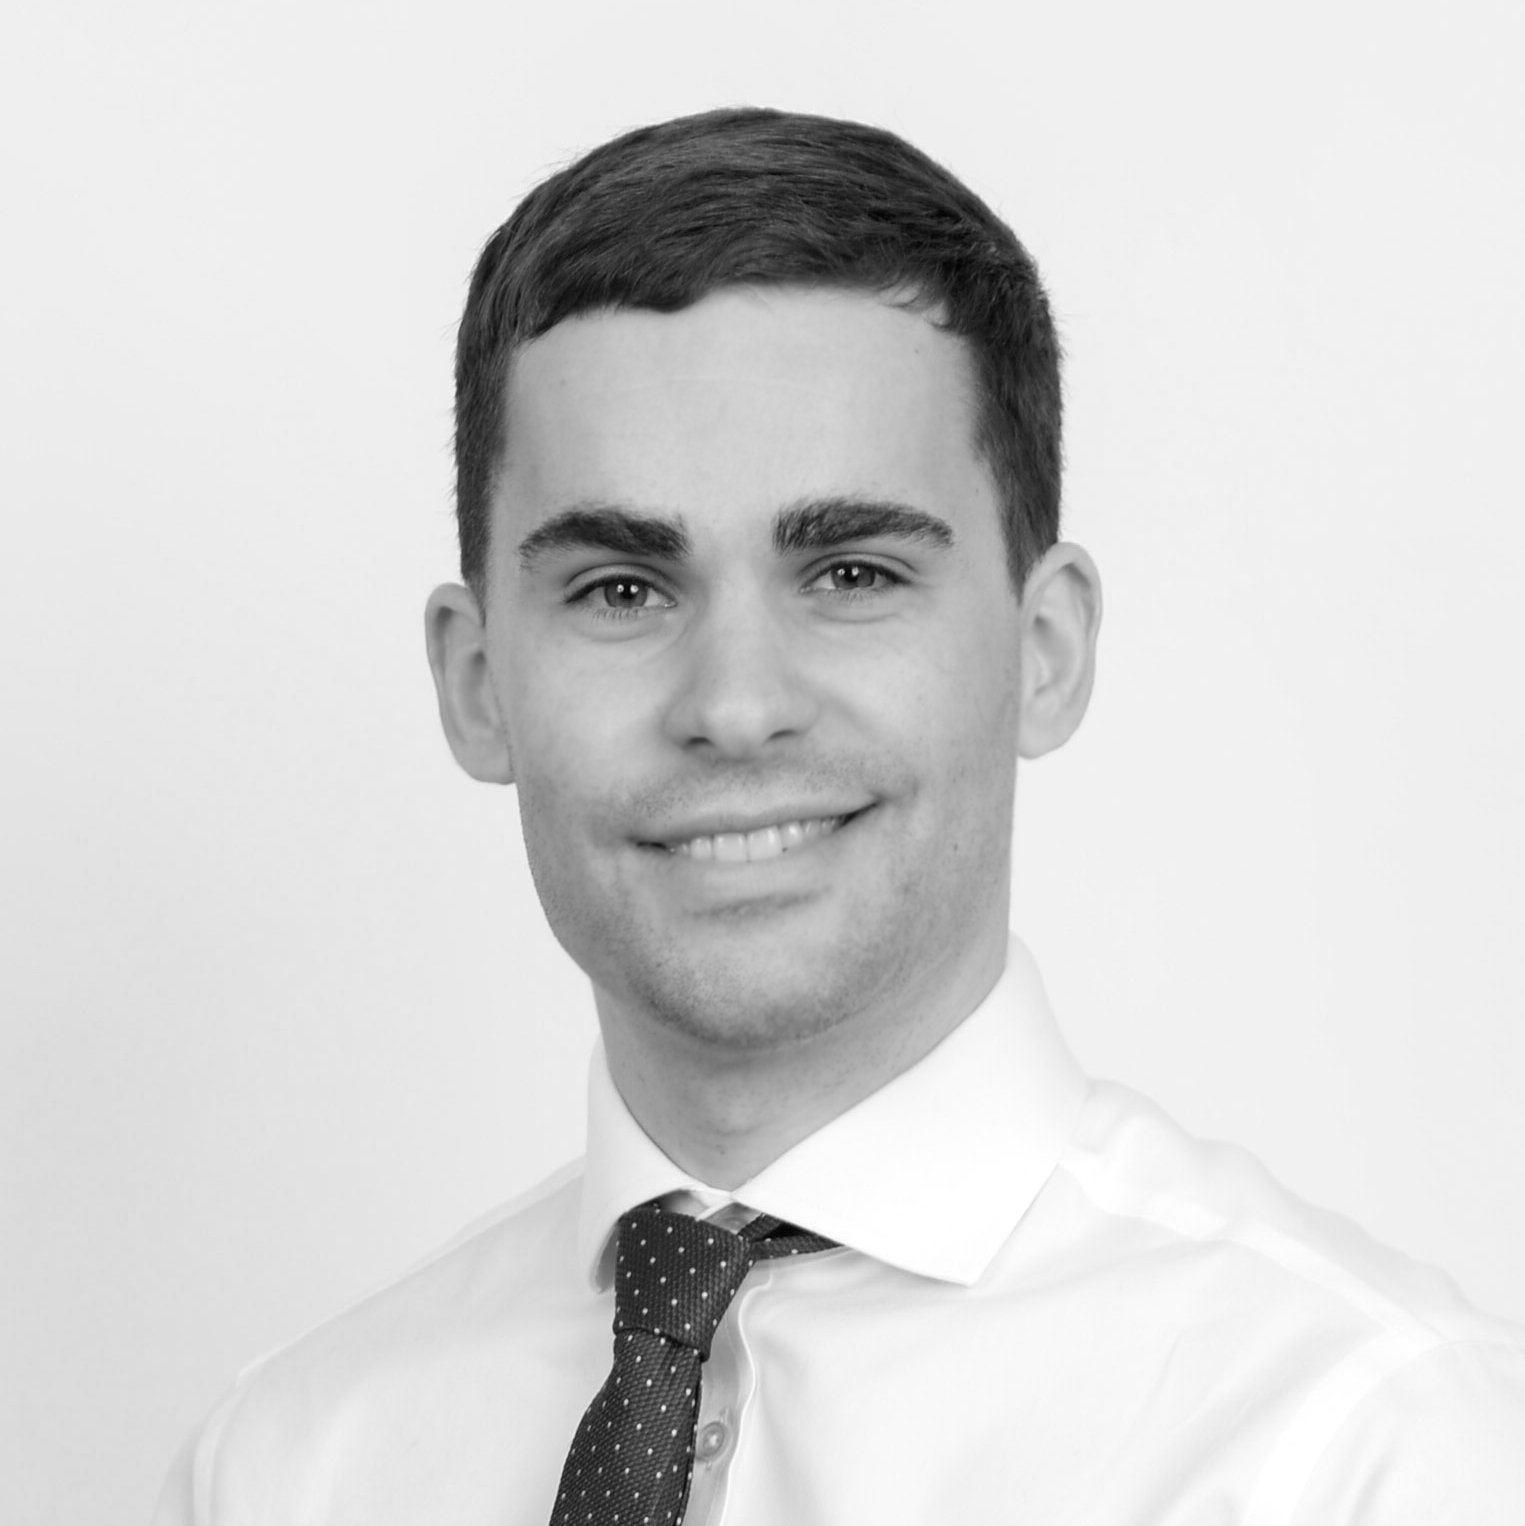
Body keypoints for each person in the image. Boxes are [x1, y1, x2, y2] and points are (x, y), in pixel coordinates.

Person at [155, 106, 1525, 1525]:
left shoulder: (1371, 1453)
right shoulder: (282, 1468)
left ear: (1043, 647)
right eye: (620, 589)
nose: (736, 704)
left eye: (853, 573)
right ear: (475, 680)